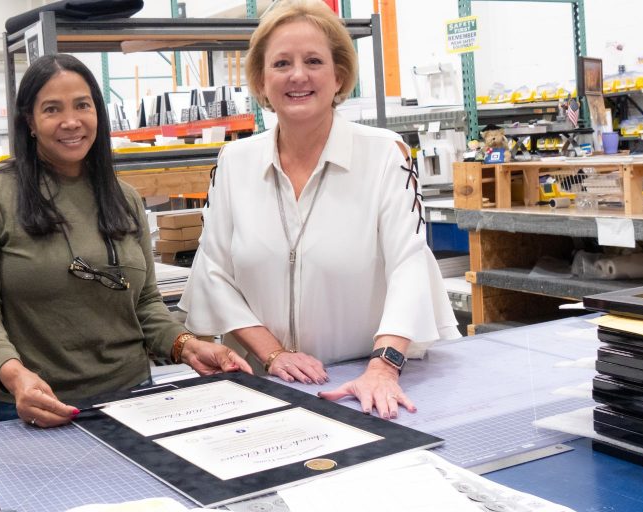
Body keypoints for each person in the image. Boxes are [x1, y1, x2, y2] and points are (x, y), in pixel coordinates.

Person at [179, 0, 459, 420]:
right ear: (260, 80)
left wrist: (383, 368)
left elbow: (409, 266)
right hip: (265, 384)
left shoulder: (385, 154)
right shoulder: (235, 161)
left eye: (313, 61)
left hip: (362, 381)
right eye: (281, 63)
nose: (298, 75)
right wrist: (272, 354)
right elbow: (214, 271)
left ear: (338, 75)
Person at [0, 54, 251, 428]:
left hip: (130, 398)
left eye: (82, 105)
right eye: (52, 109)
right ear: (30, 121)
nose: (71, 121)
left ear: (98, 113)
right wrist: (12, 374)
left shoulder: (123, 198)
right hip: (27, 406)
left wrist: (186, 345)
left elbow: (145, 304)